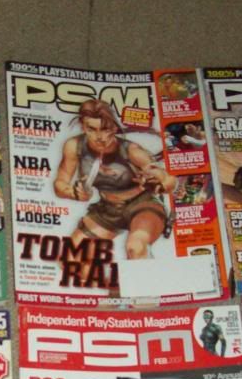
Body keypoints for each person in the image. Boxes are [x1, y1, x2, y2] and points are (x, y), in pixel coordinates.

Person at [54, 99, 176, 261]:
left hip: (142, 205)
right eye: (92, 129)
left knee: (136, 247)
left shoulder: (131, 150)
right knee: (70, 260)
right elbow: (60, 184)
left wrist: (159, 182)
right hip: (108, 209)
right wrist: (73, 193)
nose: (100, 137)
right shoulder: (74, 146)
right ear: (83, 126)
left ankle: (146, 274)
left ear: (113, 128)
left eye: (105, 129)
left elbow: (168, 180)